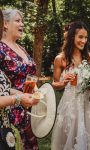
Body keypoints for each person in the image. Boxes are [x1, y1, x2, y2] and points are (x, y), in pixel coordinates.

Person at [51, 21, 90, 150]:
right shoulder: (61, 58)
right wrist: (63, 82)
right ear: (71, 37)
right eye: (80, 37)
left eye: (86, 37)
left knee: (89, 137)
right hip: (71, 105)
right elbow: (55, 84)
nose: (84, 40)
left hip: (88, 104)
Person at [0, 9, 39, 150]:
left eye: (22, 21)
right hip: (10, 111)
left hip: (29, 108)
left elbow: (29, 75)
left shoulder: (22, 48)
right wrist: (19, 96)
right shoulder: (1, 48)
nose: (22, 24)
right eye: (18, 20)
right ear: (5, 24)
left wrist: (36, 90)